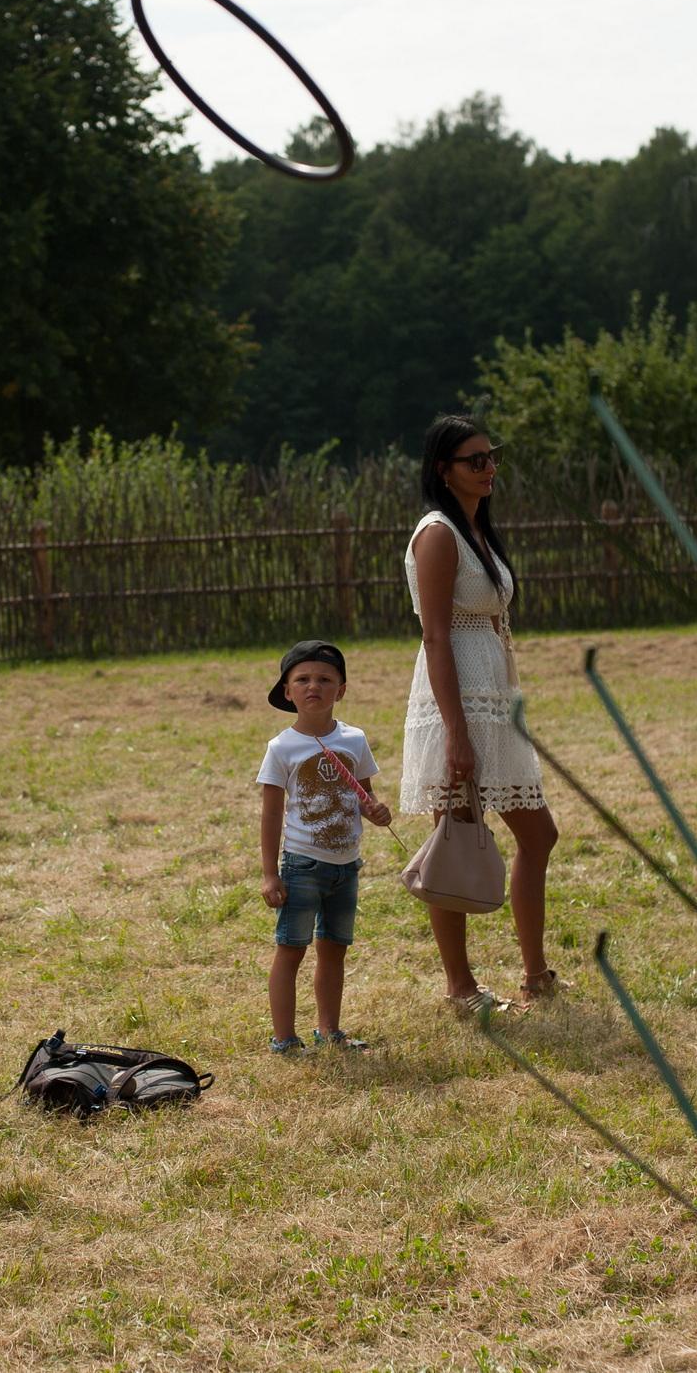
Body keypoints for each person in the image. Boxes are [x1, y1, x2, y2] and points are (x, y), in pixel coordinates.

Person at [400, 415, 560, 1017]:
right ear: (444, 470)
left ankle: (535, 975)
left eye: (492, 457)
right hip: (457, 704)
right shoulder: (437, 533)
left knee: (538, 835)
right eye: (475, 460)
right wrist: (456, 734)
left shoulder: (475, 529)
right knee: (455, 836)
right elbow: (436, 637)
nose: (489, 468)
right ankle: (460, 987)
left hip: (492, 700)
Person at [257, 640, 394, 1053]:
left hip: (346, 866)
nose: (313, 686)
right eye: (302, 679)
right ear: (287, 692)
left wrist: (376, 811)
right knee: (291, 951)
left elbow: (363, 795)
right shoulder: (281, 748)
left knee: (334, 949)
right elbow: (271, 815)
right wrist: (270, 873)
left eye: (324, 679)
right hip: (302, 866)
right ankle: (284, 1038)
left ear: (341, 690)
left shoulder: (354, 739)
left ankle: (330, 1030)